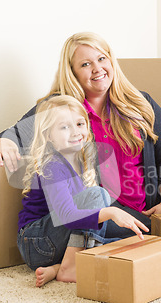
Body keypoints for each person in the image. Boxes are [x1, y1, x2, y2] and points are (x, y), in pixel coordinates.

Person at [0, 32, 161, 239]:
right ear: (73, 72)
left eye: (101, 59)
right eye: (85, 64)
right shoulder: (61, 108)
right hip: (97, 212)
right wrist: (3, 141)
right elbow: (16, 133)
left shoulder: (141, 102)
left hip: (144, 209)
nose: (97, 69)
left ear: (111, 60)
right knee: (145, 235)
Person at [19, 95, 148, 287]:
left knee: (129, 238)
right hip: (37, 243)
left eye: (80, 124)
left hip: (58, 242)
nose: (75, 132)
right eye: (64, 127)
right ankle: (70, 267)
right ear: (48, 135)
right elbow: (67, 216)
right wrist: (111, 212)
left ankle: (58, 267)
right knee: (98, 196)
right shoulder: (52, 165)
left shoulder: (80, 159)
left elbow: (84, 226)